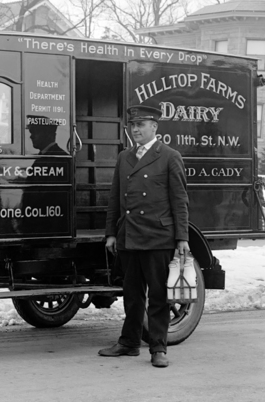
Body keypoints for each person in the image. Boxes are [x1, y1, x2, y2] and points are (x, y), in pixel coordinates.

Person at [99, 104, 189, 368]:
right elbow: (115, 198)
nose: (135, 129)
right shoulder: (124, 157)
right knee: (132, 294)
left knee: (158, 296)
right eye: (132, 125)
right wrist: (111, 233)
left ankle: (158, 348)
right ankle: (129, 343)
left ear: (154, 127)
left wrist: (182, 238)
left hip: (157, 236)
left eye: (140, 125)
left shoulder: (170, 156)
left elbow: (180, 200)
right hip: (129, 236)